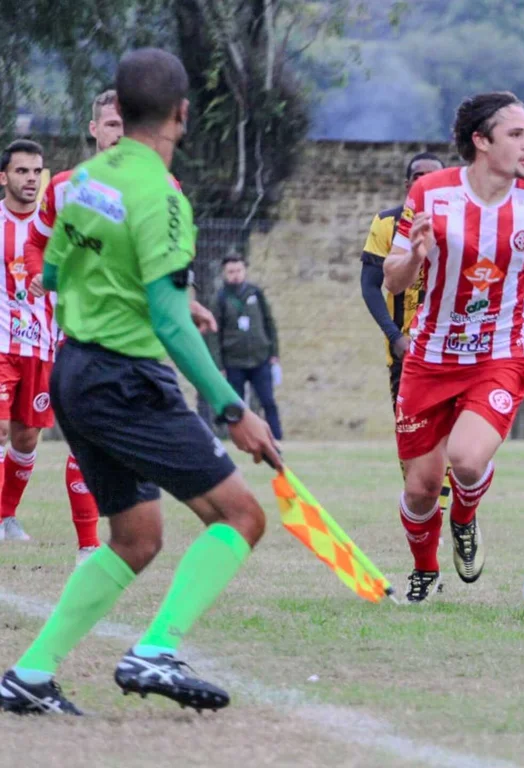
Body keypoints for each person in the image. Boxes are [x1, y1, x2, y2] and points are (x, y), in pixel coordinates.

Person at [0, 48, 281, 716]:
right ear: (182, 114)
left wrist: (148, 297)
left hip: (73, 371)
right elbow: (169, 322)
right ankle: (156, 650)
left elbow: (53, 271)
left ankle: (30, 675)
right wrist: (233, 408)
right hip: (127, 379)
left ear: (118, 112)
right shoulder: (164, 195)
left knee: (136, 538)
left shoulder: (79, 182)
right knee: (241, 517)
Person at [384, 91, 524, 603]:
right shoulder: (430, 193)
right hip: (430, 358)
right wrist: (414, 257)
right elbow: (392, 281)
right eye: (516, 134)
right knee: (420, 488)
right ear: (482, 141)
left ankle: (464, 516)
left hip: (500, 355)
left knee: (465, 460)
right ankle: (425, 571)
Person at [19, 89, 125, 562]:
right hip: (78, 337)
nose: (119, 133)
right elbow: (35, 243)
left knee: (119, 445)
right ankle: (88, 546)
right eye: (112, 124)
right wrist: (39, 275)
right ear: (94, 129)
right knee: (85, 438)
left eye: (127, 124)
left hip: (135, 341)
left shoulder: (163, 186)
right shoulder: (64, 187)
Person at [360, 152, 452, 514]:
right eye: (417, 176)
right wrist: (395, 337)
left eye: (433, 176)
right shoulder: (387, 223)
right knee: (412, 440)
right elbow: (370, 287)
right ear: (407, 184)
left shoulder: (462, 222)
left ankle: (445, 513)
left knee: (453, 439)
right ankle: (424, 509)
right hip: (406, 354)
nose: (424, 182)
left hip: (452, 350)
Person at [0, 139, 50, 545]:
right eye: (22, 171)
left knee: (26, 438)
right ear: (3, 177)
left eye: (36, 171)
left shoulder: (54, 227)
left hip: (41, 346)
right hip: (1, 345)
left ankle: (6, 516)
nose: (31, 179)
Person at [214, 255, 283, 440]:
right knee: (236, 405)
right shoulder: (221, 298)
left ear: (244, 271)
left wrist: (274, 352)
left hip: (260, 359)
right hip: (233, 361)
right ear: (225, 274)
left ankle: (276, 437)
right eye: (231, 272)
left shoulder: (255, 293)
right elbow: (215, 334)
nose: (235, 275)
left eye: (238, 270)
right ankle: (240, 439)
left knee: (268, 401)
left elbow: (269, 323)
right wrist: (219, 364)